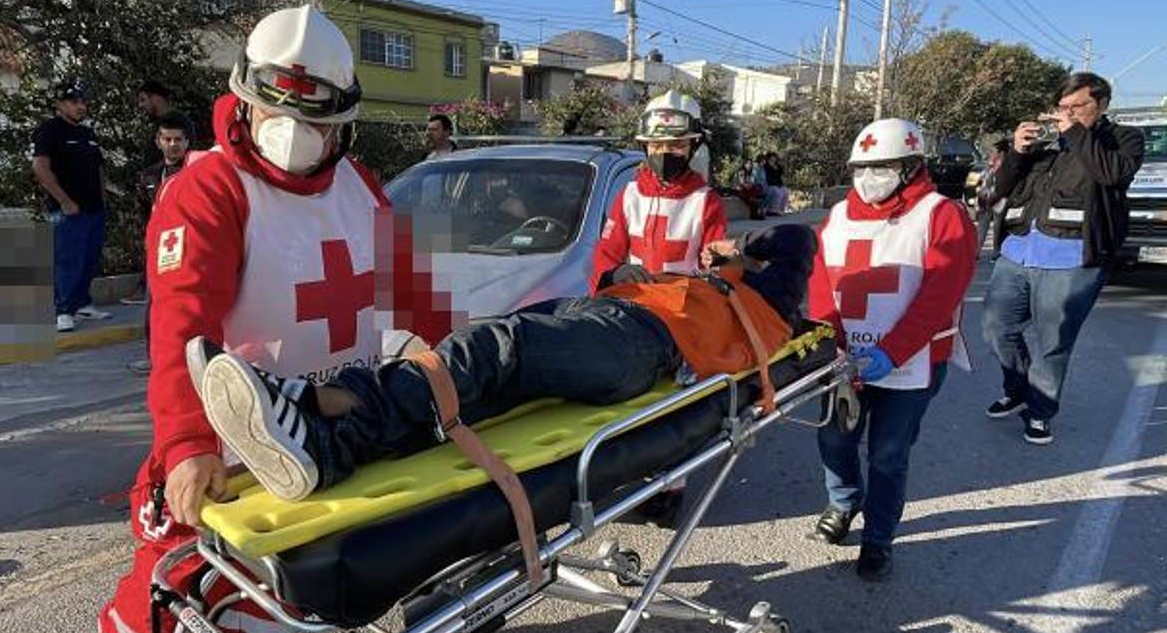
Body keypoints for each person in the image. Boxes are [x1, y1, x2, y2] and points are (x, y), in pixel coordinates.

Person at [87, 4, 458, 633]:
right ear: (246, 99)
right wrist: (188, 443)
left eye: (315, 122)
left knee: (292, 571)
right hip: (226, 433)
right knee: (177, 572)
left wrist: (455, 372)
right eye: (273, 111)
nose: (293, 136)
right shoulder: (207, 191)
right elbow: (180, 329)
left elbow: (415, 292)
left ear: (344, 123)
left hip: (324, 430)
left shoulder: (359, 186)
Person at [183, 223, 816, 504]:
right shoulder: (720, 290)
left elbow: (798, 240)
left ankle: (322, 403)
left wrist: (736, 248)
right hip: (614, 320)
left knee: (496, 350)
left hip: (648, 344)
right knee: (477, 381)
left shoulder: (772, 303)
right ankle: (330, 440)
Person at [808, 118, 976, 581]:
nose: (868, 176)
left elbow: (941, 295)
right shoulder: (839, 215)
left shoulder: (942, 215)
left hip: (913, 362)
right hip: (845, 358)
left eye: (881, 166)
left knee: (887, 452)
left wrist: (893, 351)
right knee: (834, 439)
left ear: (910, 166)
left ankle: (878, 538)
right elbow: (822, 285)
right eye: (861, 167)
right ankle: (844, 502)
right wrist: (831, 342)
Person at [981, 73, 1144, 445]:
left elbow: (1110, 174)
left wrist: (1074, 133)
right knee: (995, 328)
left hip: (1072, 259)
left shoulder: (1123, 140)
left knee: (1052, 342)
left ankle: (1040, 411)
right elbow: (1001, 189)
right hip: (1018, 250)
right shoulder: (1046, 143)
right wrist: (1018, 152)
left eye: (1076, 107)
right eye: (1061, 107)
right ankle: (1019, 390)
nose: (1065, 114)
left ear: (1101, 105)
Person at [589, 89, 727, 293]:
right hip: (636, 303)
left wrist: (717, 261)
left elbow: (717, 263)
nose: (664, 153)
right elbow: (607, 252)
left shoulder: (707, 201)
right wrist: (615, 273)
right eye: (656, 145)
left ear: (693, 146)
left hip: (684, 308)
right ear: (645, 147)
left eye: (676, 145)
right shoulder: (630, 195)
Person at [32, 81, 111, 333]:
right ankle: (63, 310)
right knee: (68, 260)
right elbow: (40, 168)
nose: (80, 106)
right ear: (60, 104)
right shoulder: (49, 130)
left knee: (90, 258)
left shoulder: (87, 134)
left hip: (94, 208)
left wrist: (103, 199)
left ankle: (81, 303)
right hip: (67, 211)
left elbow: (98, 168)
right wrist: (64, 201)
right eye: (73, 101)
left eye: (82, 101)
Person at [125, 111, 195, 374]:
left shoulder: (197, 173)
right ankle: (155, 357)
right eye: (167, 139)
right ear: (158, 142)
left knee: (186, 307)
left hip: (190, 251)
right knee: (155, 307)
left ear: (187, 142)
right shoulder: (149, 177)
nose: (173, 144)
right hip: (159, 252)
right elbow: (140, 214)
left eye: (178, 139)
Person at [973, 140, 1008, 259]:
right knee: (983, 227)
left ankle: (996, 252)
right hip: (986, 199)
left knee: (998, 228)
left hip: (999, 200)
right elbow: (982, 181)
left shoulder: (1007, 165)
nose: (991, 153)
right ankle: (976, 252)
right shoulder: (989, 166)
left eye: (994, 151)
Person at [136, 80, 173, 168]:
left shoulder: (174, 122)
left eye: (143, 99)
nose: (140, 105)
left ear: (155, 98)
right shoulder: (158, 124)